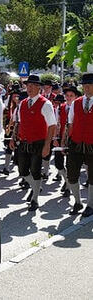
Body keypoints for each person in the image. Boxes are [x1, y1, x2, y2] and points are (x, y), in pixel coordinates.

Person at [10, 75, 56, 211]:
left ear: (38, 87)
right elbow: (18, 123)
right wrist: (13, 138)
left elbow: (52, 126)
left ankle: (35, 199)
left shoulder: (45, 103)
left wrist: (47, 145)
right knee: (22, 171)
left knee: (35, 170)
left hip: (38, 142)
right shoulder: (23, 103)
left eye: (32, 86)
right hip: (23, 142)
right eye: (27, 85)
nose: (29, 88)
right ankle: (36, 186)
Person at [67, 73, 93, 217]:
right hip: (76, 143)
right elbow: (70, 123)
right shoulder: (76, 102)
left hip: (92, 144)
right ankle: (77, 202)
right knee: (71, 174)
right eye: (84, 85)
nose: (86, 87)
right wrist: (67, 141)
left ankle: (90, 204)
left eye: (89, 85)